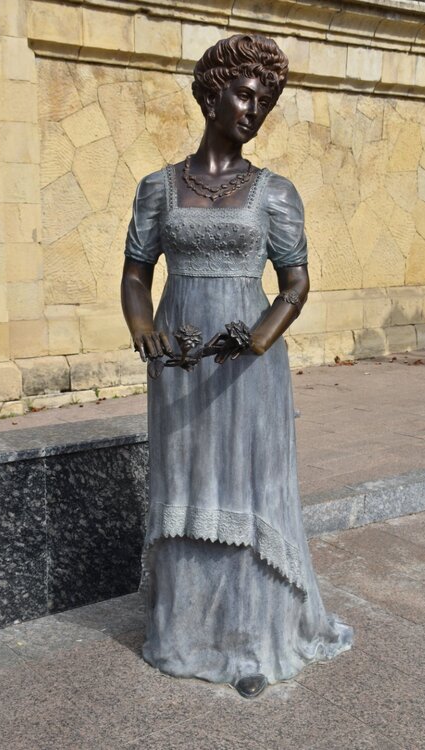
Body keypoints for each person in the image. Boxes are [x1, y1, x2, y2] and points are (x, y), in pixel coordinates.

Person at [121, 33, 353, 699]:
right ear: (211, 94)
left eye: (264, 103)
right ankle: (180, 633)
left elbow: (295, 286)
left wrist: (256, 339)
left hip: (250, 367)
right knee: (186, 481)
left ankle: (253, 640)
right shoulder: (158, 189)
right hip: (178, 363)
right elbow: (135, 275)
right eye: (246, 96)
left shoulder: (275, 194)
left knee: (246, 489)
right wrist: (144, 330)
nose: (254, 111)